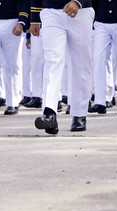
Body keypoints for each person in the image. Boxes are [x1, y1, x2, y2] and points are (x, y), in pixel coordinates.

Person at [31, 0, 94, 134]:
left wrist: (79, 2)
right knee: (51, 61)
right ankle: (49, 112)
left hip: (80, 12)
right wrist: (34, 18)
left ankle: (79, 113)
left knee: (81, 64)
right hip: (51, 11)